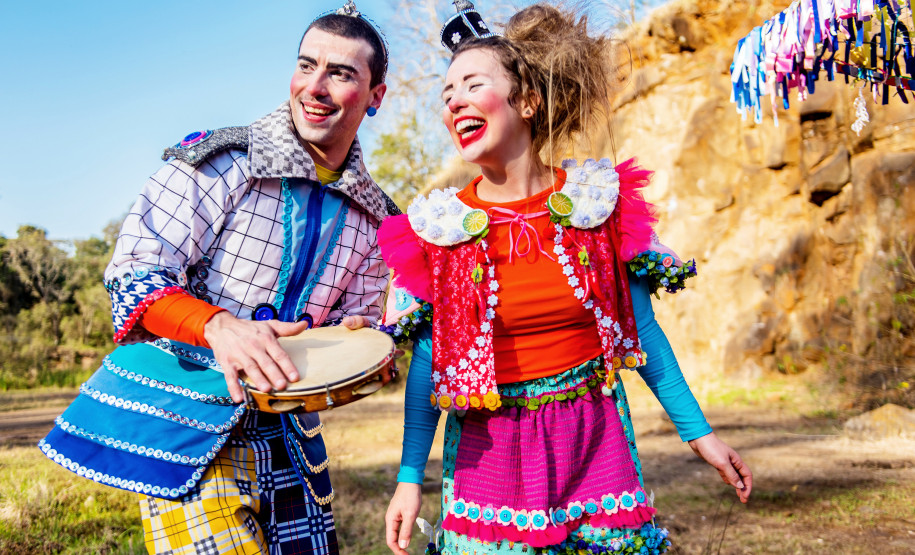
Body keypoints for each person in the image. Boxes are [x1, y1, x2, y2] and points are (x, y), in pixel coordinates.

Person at [379, 3, 753, 554]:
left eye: (472, 84)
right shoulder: (436, 229)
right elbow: (433, 364)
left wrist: (699, 434)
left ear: (527, 102)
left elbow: (641, 332)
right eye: (447, 93)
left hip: (593, 436)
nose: (454, 99)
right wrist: (410, 478)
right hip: (490, 447)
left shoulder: (596, 204)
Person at [38, 2, 397, 553]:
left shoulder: (380, 218)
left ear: (375, 96)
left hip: (292, 440)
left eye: (341, 73)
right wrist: (219, 327)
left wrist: (361, 343)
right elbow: (136, 273)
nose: (315, 87)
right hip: (188, 415)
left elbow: (360, 326)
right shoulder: (219, 160)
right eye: (306, 65)